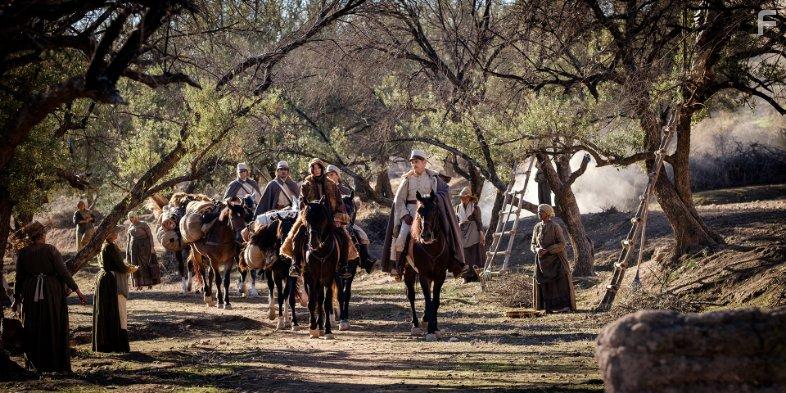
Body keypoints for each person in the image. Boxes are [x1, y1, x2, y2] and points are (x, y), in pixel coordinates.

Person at [11, 221, 87, 373]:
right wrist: (77, 291)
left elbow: (18, 278)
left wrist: (16, 299)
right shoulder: (50, 249)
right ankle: (54, 363)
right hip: (51, 291)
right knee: (52, 324)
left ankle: (36, 364)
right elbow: (63, 272)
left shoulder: (23, 252)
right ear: (42, 234)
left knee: (33, 324)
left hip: (30, 291)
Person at [382, 150, 466, 279]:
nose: (414, 164)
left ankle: (454, 262)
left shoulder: (434, 178)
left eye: (417, 161)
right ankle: (399, 266)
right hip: (411, 211)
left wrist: (437, 199)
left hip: (431, 211)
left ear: (424, 162)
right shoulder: (407, 179)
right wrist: (405, 215)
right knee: (400, 238)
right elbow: (398, 200)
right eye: (412, 162)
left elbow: (444, 191)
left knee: (448, 230)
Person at [281, 158, 357, 278]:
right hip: (311, 218)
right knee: (297, 236)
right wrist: (307, 214)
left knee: (344, 237)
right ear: (311, 169)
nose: (316, 170)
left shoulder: (331, 184)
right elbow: (302, 203)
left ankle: (343, 266)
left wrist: (338, 217)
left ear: (321, 168)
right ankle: (295, 265)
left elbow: (339, 202)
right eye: (313, 168)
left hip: (330, 218)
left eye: (318, 168)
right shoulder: (306, 185)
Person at [93, 225, 137, 353]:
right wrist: (131, 269)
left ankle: (105, 344)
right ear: (109, 234)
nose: (117, 233)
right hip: (112, 281)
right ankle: (116, 345)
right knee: (116, 311)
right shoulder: (110, 246)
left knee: (106, 311)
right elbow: (120, 265)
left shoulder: (102, 246)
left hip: (103, 280)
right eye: (114, 231)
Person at [326, 164, 377, 273]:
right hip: (329, 221)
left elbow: (353, 207)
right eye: (328, 175)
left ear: (337, 176)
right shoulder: (324, 189)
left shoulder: (345, 190)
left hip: (346, 221)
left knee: (362, 235)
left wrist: (350, 220)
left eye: (332, 174)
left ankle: (365, 261)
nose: (330, 176)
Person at [531, 204, 576, 313]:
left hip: (556, 261)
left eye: (541, 212)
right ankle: (548, 307)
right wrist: (537, 250)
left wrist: (548, 250)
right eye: (538, 212)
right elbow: (532, 244)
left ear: (547, 213)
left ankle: (563, 307)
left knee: (560, 284)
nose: (539, 214)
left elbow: (562, 244)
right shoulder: (537, 227)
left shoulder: (555, 226)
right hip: (542, 262)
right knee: (545, 284)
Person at [455, 187, 485, 283]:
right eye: (462, 197)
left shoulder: (475, 208)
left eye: (465, 197)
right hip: (462, 230)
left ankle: (477, 275)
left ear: (469, 198)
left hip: (473, 231)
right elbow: (457, 220)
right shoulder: (458, 207)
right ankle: (466, 277)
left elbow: (479, 222)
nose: (463, 199)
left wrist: (481, 233)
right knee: (464, 254)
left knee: (475, 253)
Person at [126, 211, 161, 290]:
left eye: (132, 217)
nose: (131, 219)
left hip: (145, 248)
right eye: (129, 218)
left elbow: (150, 236)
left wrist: (152, 247)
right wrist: (127, 251)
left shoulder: (143, 224)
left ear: (136, 216)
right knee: (135, 265)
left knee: (145, 265)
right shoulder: (130, 226)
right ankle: (139, 285)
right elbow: (128, 240)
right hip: (134, 249)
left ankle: (149, 283)